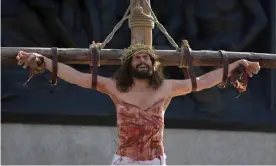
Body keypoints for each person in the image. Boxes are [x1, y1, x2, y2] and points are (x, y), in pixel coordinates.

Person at [16, 44, 260, 165]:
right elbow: (77, 77)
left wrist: (237, 65)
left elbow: (205, 81)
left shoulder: (167, 88)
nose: (142, 60)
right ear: (129, 65)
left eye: (147, 58)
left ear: (154, 65)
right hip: (124, 162)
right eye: (137, 58)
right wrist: (44, 61)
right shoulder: (114, 86)